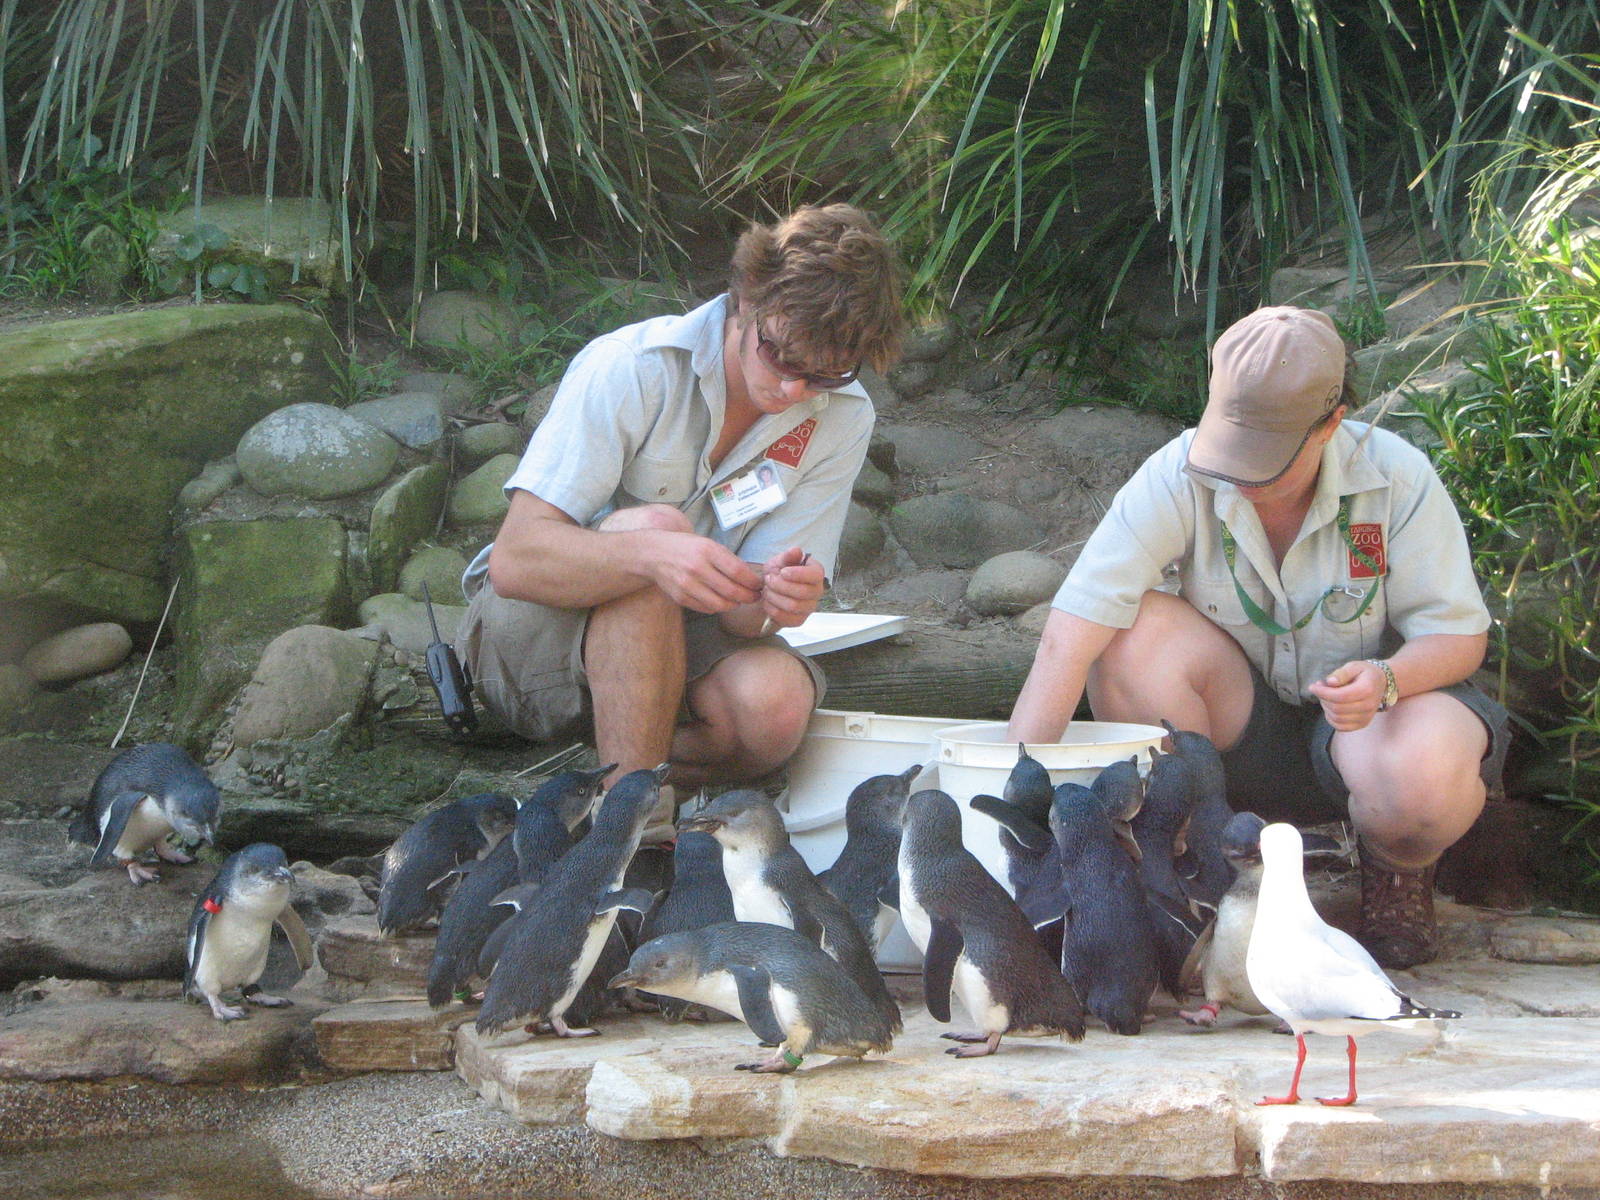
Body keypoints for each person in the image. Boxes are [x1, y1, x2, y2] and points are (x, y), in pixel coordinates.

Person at [1007, 306, 1508, 968]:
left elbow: (1458, 638)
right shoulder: (1176, 472)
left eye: (1263, 461)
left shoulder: (1398, 475)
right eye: (1230, 453)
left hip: (1371, 726)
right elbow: (1068, 638)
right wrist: (1013, 806)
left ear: (1331, 423)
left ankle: (1396, 870)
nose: (1239, 478)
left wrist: (1388, 680)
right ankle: (1196, 865)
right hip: (1234, 733)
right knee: (1126, 635)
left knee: (1418, 778)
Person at [456, 204, 905, 828]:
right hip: (531, 638)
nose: (794, 391)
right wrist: (651, 555)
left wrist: (779, 598)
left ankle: (607, 773)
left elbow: (745, 620)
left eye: (824, 375)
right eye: (780, 356)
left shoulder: (845, 415)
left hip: (673, 653)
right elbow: (515, 562)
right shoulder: (634, 366)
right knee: (655, 536)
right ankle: (636, 828)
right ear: (745, 300)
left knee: (774, 709)